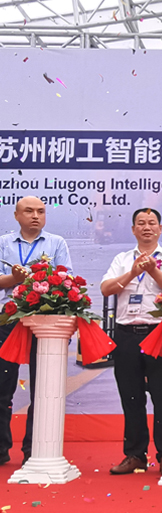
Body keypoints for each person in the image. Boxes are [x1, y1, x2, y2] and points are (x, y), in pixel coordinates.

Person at [101, 208, 162, 475]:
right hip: (126, 334)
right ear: (133, 229)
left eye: (151, 223)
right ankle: (135, 454)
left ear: (160, 228)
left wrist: (152, 271)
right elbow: (106, 289)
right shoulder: (122, 258)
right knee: (131, 396)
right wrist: (131, 272)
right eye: (141, 223)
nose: (146, 227)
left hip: (160, 333)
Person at [0, 196, 73, 466]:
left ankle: (35, 449)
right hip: (8, 321)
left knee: (42, 387)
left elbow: (68, 280)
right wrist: (14, 279)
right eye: (29, 211)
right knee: (2, 387)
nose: (35, 216)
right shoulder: (4, 243)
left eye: (41, 211)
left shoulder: (56, 243)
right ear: (16, 215)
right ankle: (0, 448)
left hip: (45, 324)